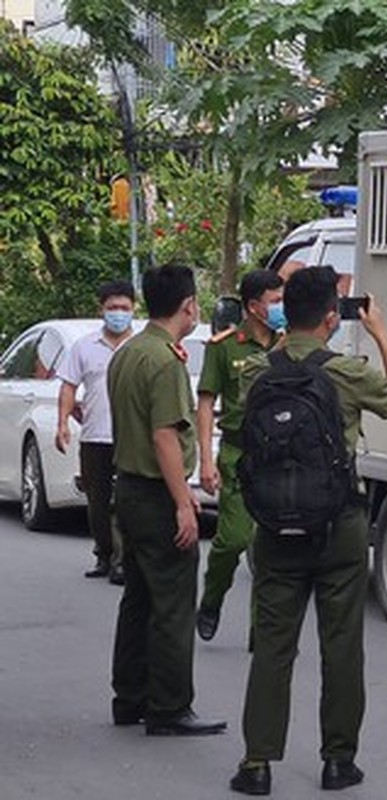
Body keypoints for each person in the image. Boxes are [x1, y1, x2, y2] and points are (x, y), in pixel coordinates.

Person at [230, 266, 387, 796]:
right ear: (333, 318)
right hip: (339, 527)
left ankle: (256, 764)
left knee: (273, 646)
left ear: (285, 312)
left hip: (273, 528)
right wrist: (379, 331)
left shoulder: (253, 373)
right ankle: (338, 761)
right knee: (341, 647)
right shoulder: (347, 373)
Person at [107, 264, 227, 736]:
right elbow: (164, 438)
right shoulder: (164, 361)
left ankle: (129, 695)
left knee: (137, 596)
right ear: (188, 305)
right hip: (157, 492)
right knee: (174, 600)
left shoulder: (129, 351)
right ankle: (169, 705)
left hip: (129, 488)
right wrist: (184, 501)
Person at [195, 269, 286, 643]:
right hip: (237, 453)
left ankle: (259, 632)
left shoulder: (289, 345)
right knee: (232, 540)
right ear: (253, 307)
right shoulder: (225, 346)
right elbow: (206, 403)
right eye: (275, 301)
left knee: (268, 548)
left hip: (278, 457)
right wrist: (205, 458)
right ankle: (212, 597)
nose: (282, 308)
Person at [56, 280, 137, 584]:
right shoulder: (84, 347)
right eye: (112, 308)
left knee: (125, 503)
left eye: (124, 308)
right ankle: (103, 554)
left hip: (131, 438)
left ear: (134, 309)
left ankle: (122, 561)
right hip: (95, 436)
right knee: (97, 503)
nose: (118, 313)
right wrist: (63, 423)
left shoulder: (140, 345)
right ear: (101, 310)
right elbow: (69, 386)